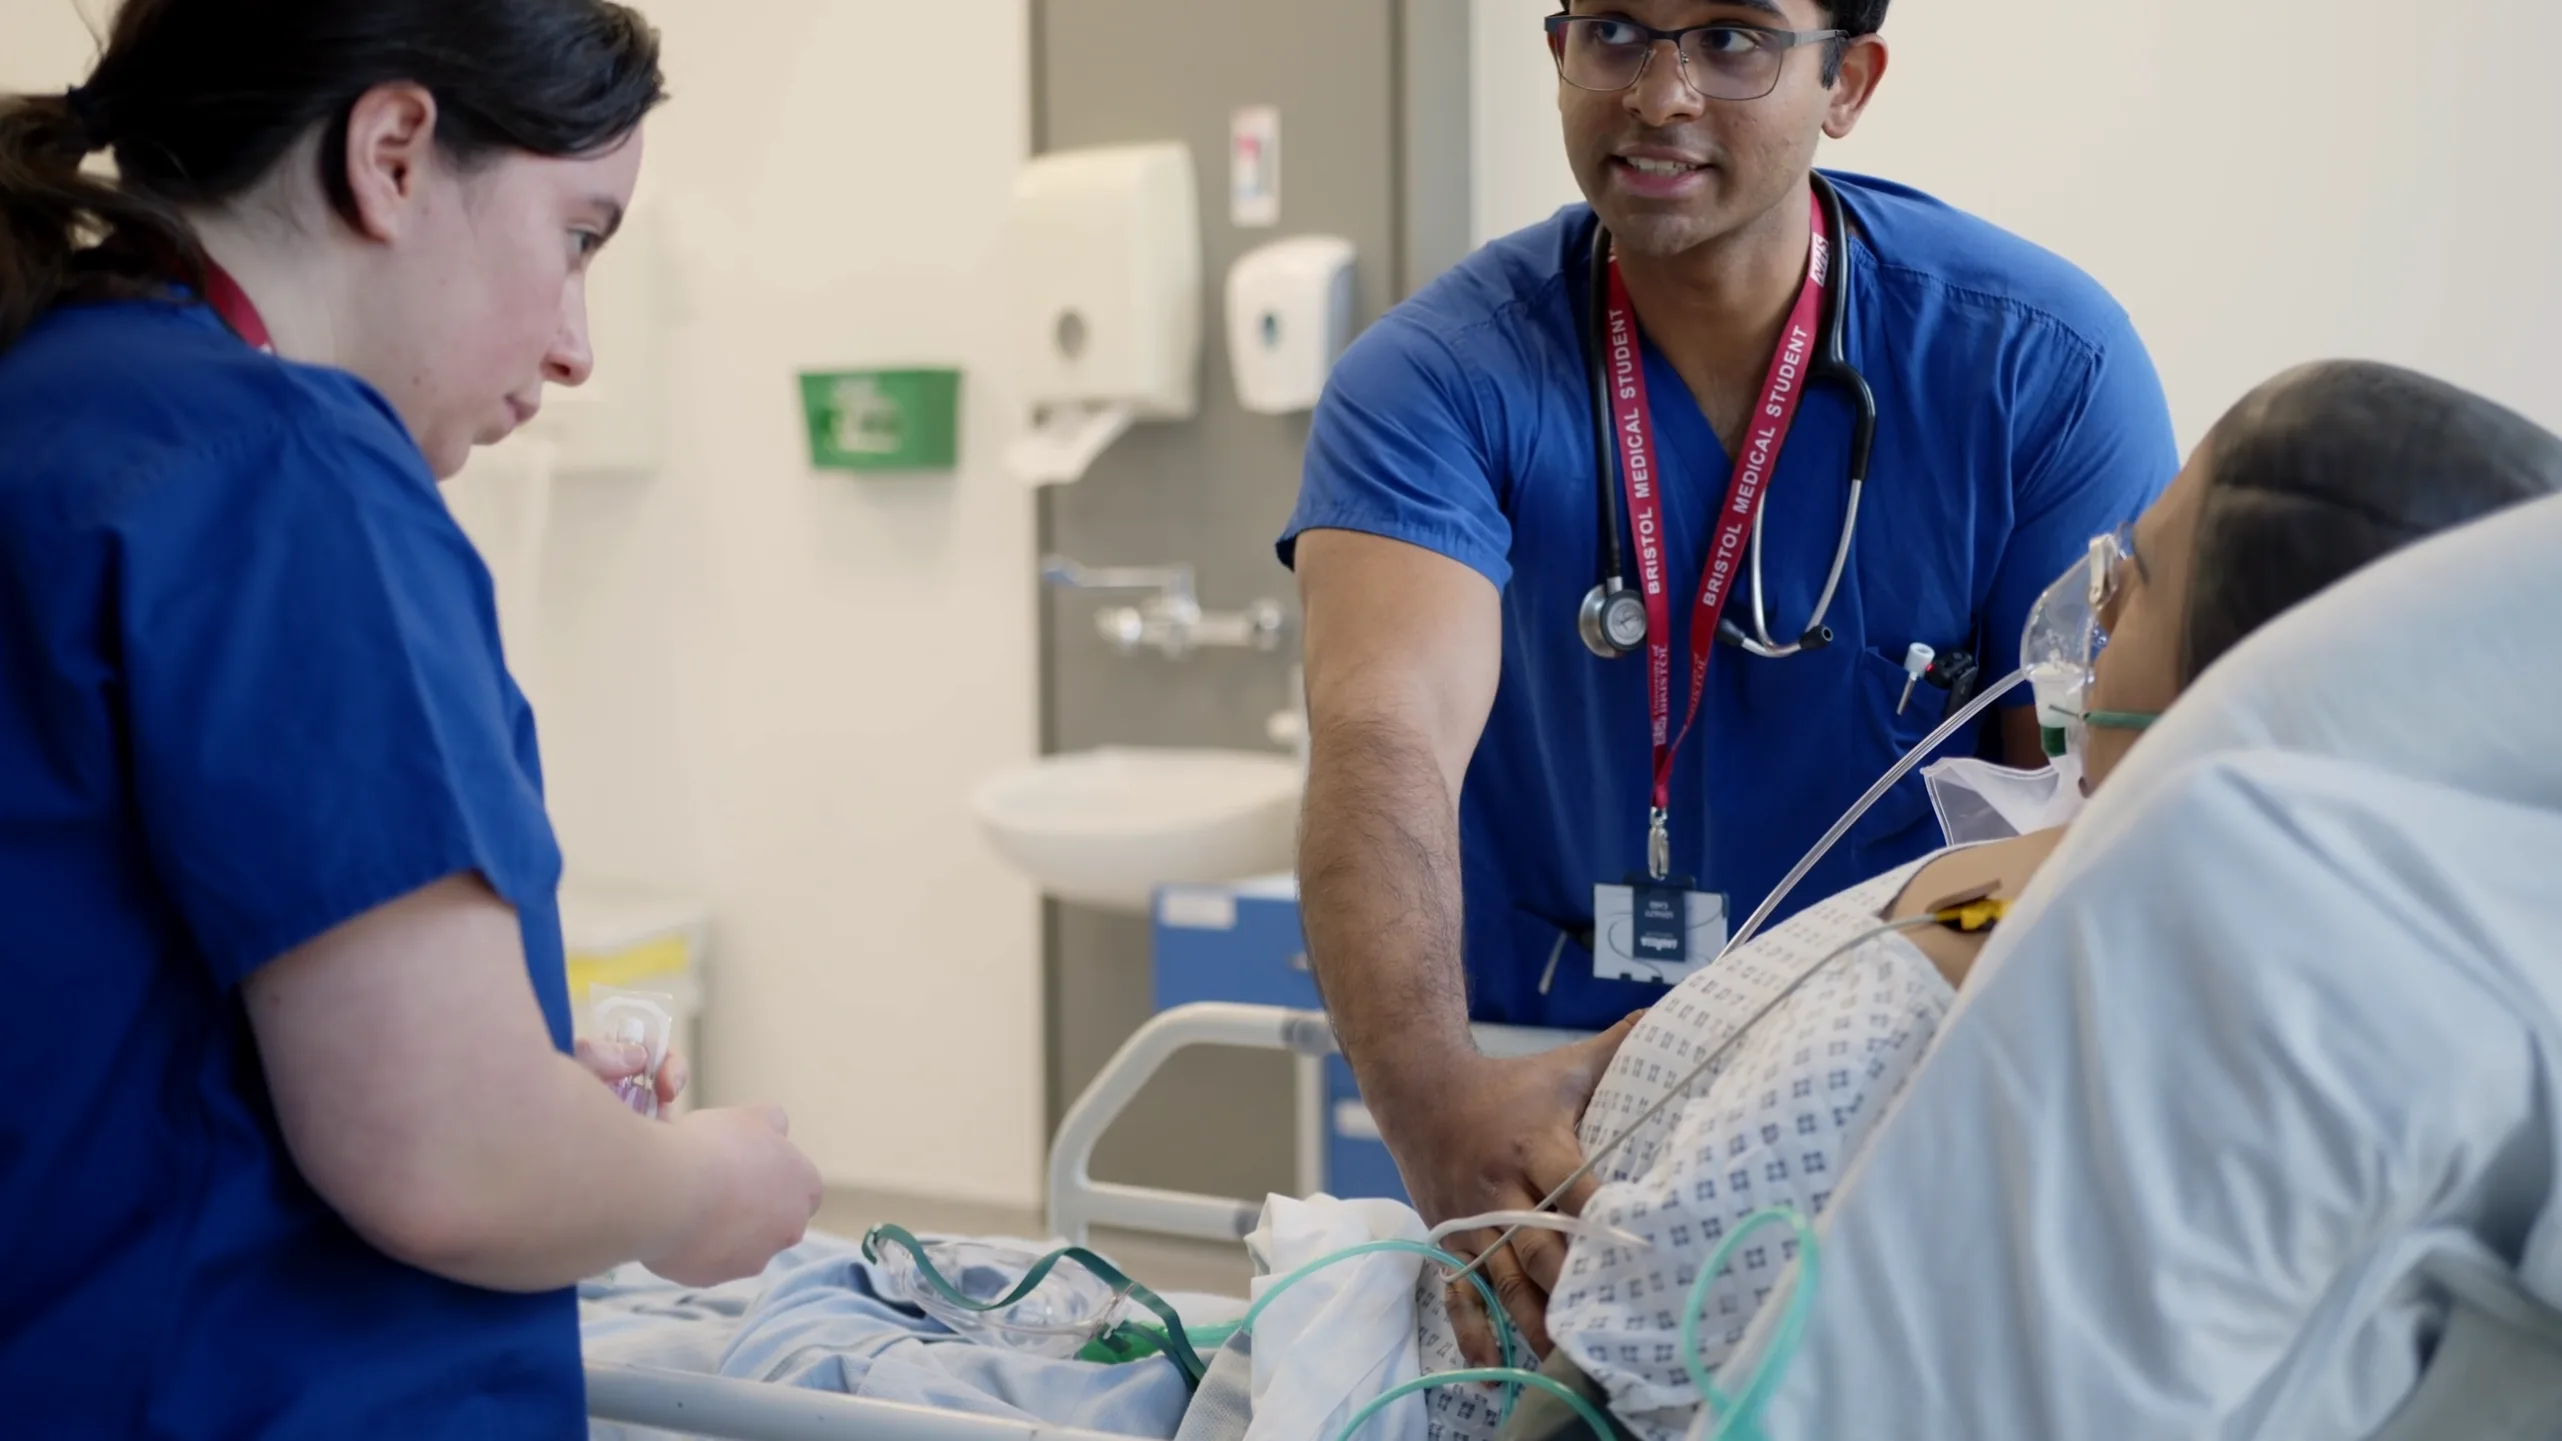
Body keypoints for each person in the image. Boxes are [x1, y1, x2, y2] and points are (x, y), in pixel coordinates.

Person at [1283, 0, 2179, 1360]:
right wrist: (1431, 1107)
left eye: (1734, 39)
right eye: (1619, 34)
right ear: (1556, 53)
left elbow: (2089, 803)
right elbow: (1379, 733)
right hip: (1533, 1103)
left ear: (1848, 81)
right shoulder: (1433, 383)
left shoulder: (2034, 365)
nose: (1661, 93)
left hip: (1880, 1095)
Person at [0, 3, 822, 1436]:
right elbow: (453, 1160)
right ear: (390, 154)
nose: (577, 349)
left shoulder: (55, 406)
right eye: (577, 237)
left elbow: (98, 1035)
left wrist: (510, 1075)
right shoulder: (281, 471)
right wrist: (702, 1187)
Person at [1480, 359, 2562, 1441]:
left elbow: (1596, 1393)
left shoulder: (1955, 994)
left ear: (2234, 682)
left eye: (2131, 580)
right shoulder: (2053, 877)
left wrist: (1506, 1279)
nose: (2087, 611)